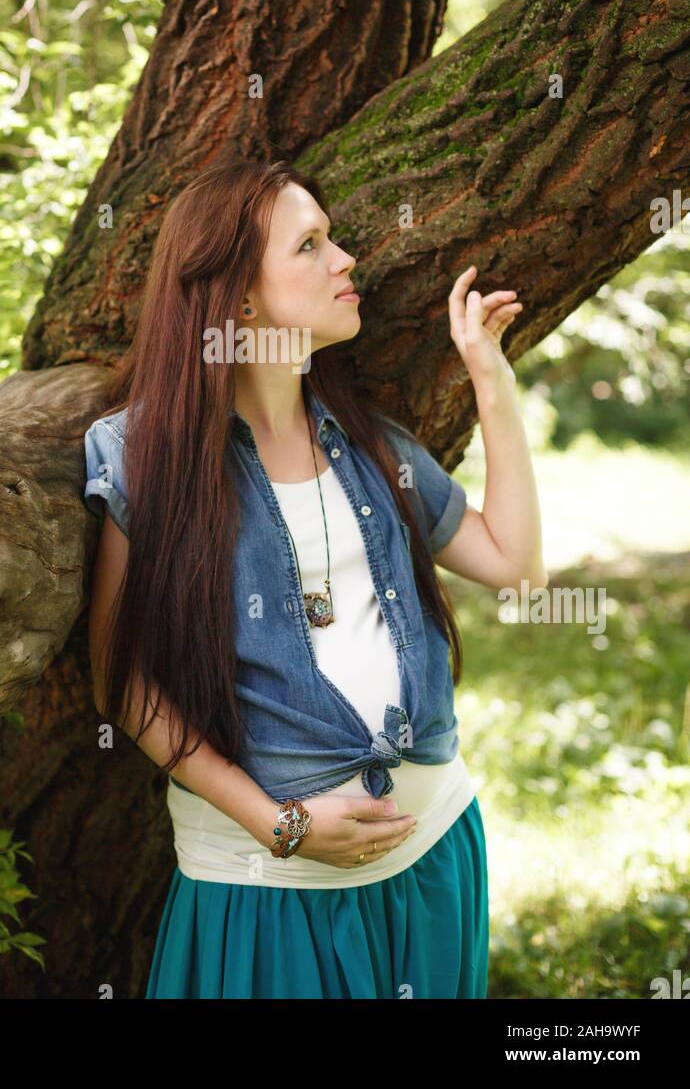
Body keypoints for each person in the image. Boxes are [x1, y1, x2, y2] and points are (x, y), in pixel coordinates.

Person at [83, 157, 547, 999]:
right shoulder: (143, 459)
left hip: (434, 854)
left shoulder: (372, 448)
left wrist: (493, 381)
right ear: (242, 298)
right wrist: (282, 825)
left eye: (333, 239)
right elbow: (127, 685)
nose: (346, 260)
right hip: (269, 889)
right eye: (312, 245)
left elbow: (514, 567)